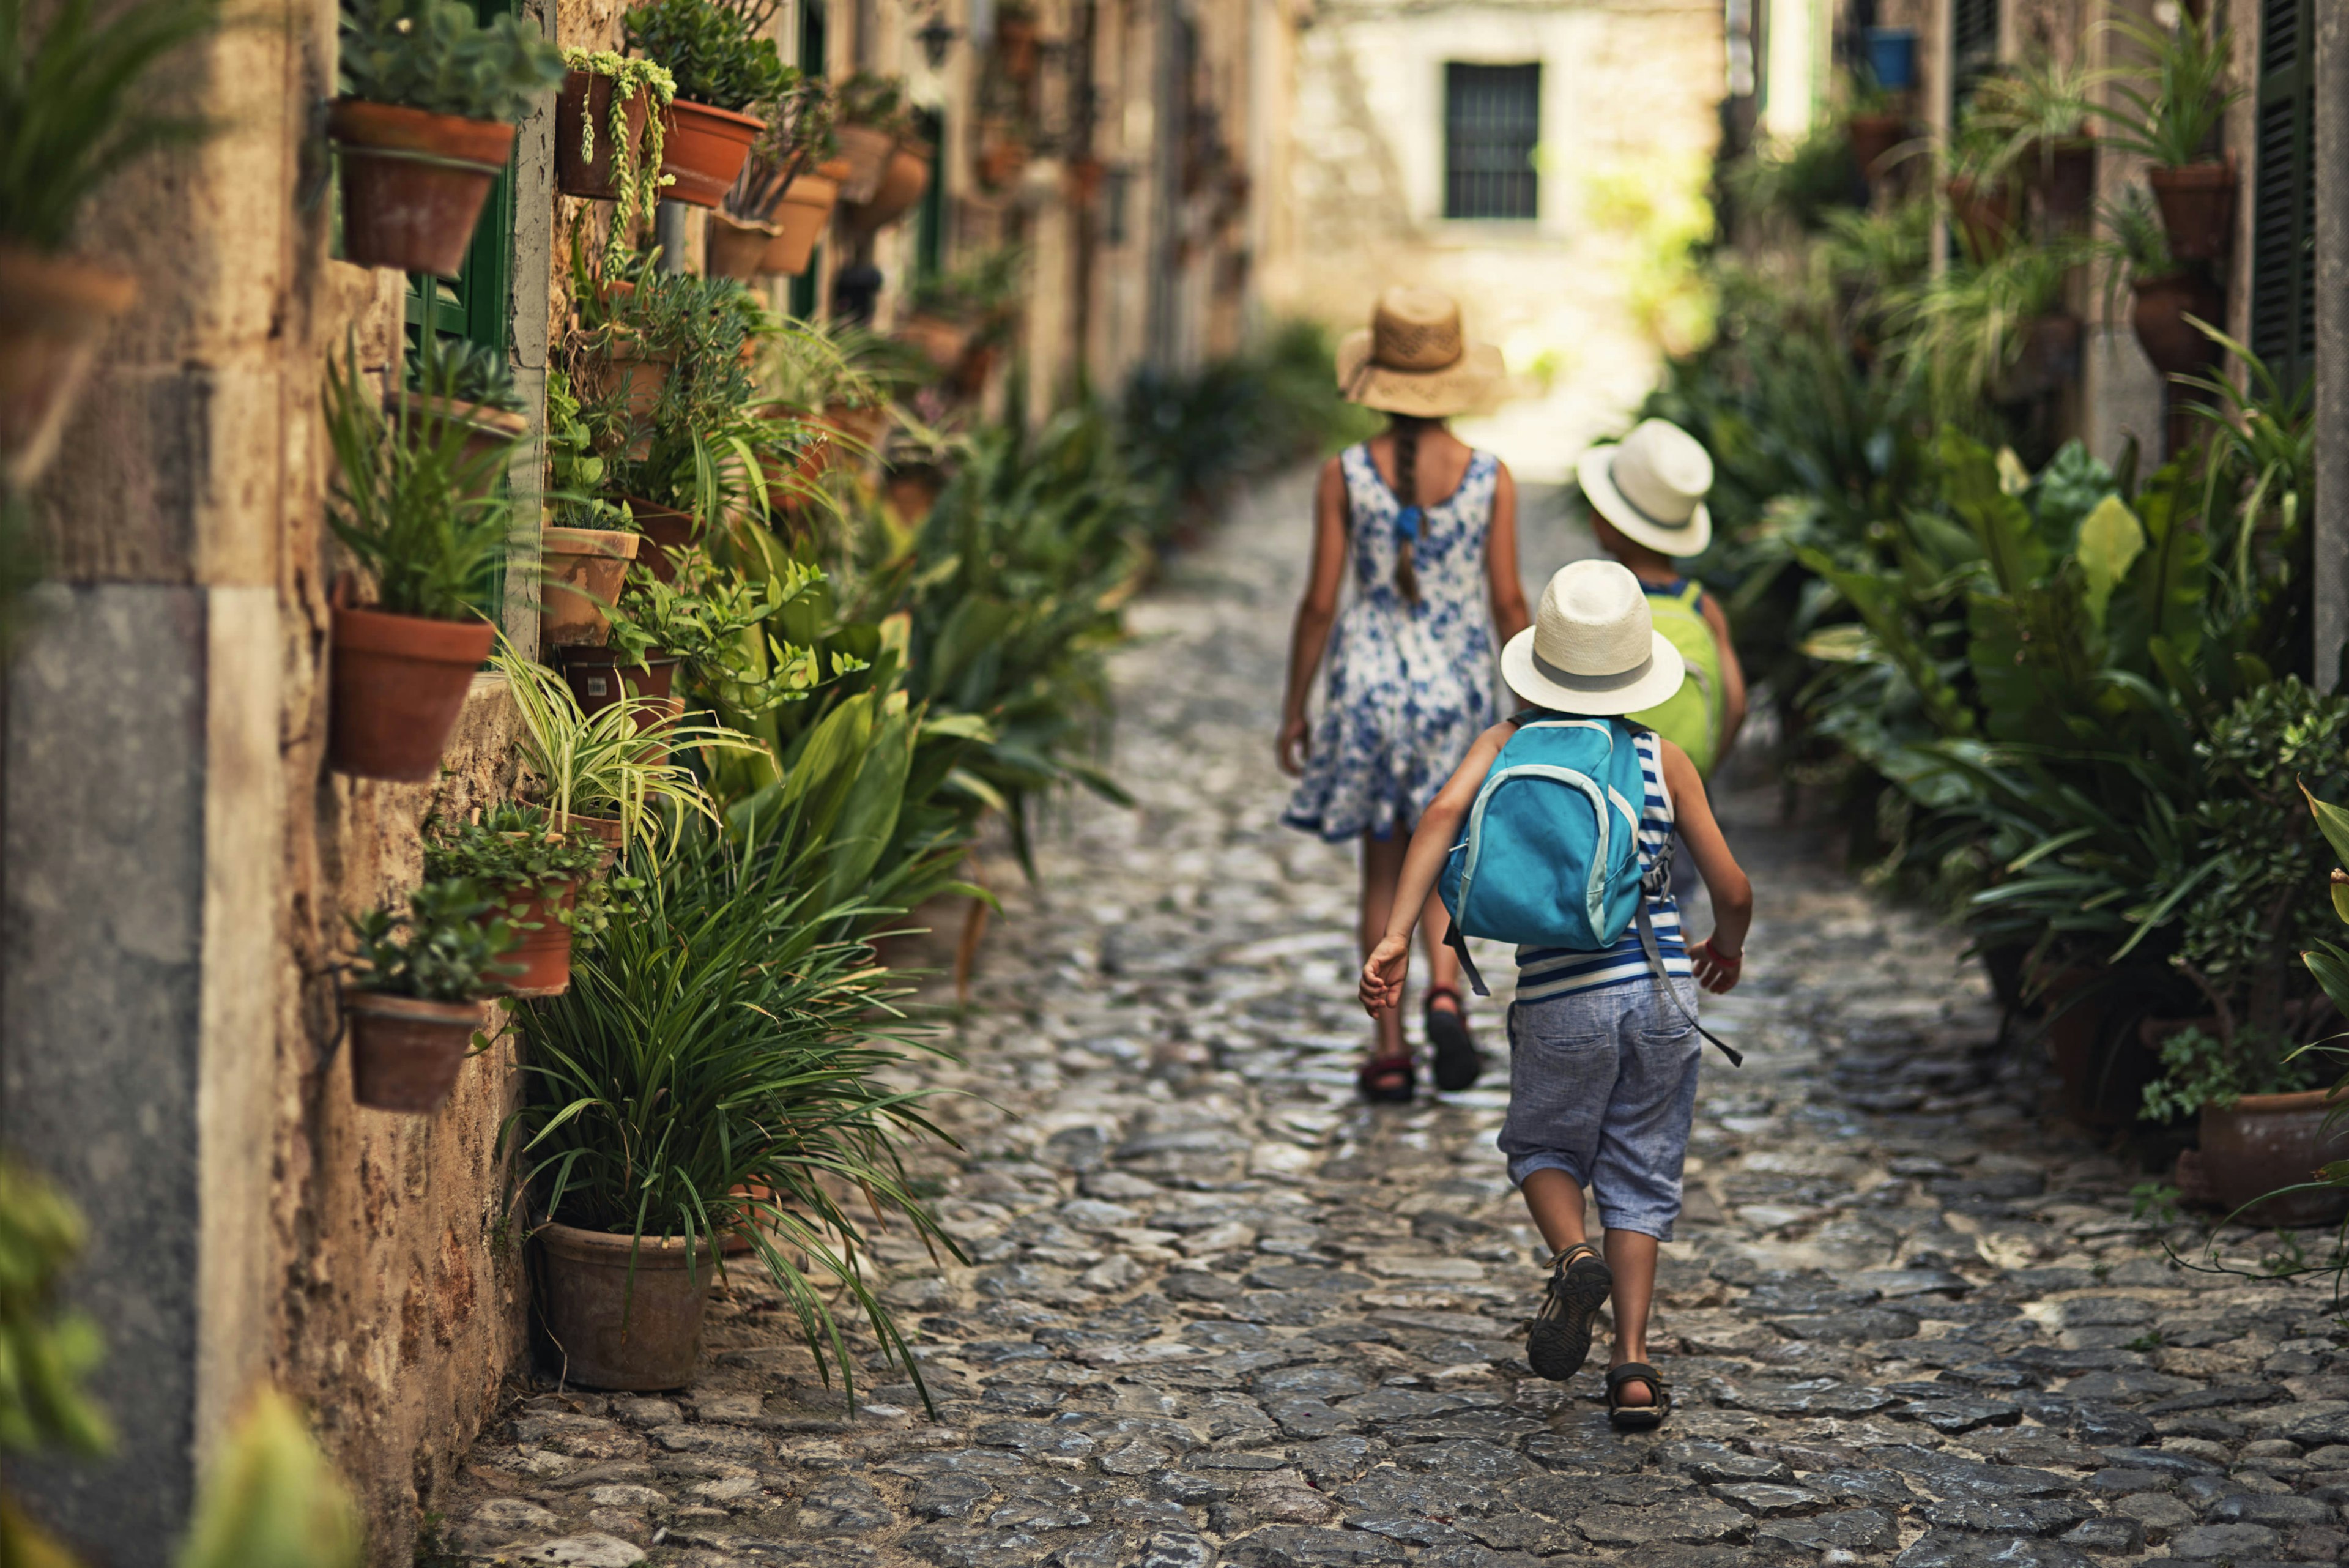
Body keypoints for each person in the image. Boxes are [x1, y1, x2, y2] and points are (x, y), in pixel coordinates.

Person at [1356, 559, 1753, 1431]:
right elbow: (1732, 884)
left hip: (1562, 997)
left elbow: (1437, 818)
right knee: (1642, 1170)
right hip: (1660, 997)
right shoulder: (1664, 758)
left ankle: (1574, 1255)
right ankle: (1635, 1367)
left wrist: (1395, 932)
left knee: (1541, 1145)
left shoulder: (1504, 742)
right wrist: (1725, 944)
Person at [1278, 286, 1531, 1104]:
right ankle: (1446, 993)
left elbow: (1320, 601)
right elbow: (1509, 603)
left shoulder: (1344, 473)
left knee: (1381, 874)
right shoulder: (1493, 478)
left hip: (1365, 688)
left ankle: (1388, 1050)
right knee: (1446, 861)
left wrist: (1296, 706)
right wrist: (1530, 714)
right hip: (1456, 691)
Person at [1578, 420, 1746, 778]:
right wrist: (1697, 772)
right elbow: (1736, 706)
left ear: (1609, 523)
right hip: (1681, 791)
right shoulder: (1702, 607)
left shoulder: (1596, 599)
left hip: (1602, 791)